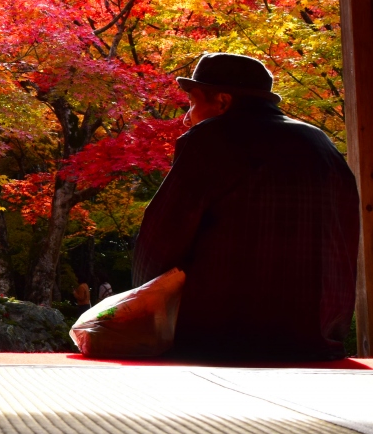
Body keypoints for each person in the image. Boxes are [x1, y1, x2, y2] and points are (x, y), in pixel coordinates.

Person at [133, 53, 359, 360]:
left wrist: (140, 308)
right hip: (315, 340)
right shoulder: (321, 145)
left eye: (192, 103)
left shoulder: (212, 139)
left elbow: (162, 237)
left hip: (219, 338)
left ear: (224, 101)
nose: (187, 117)